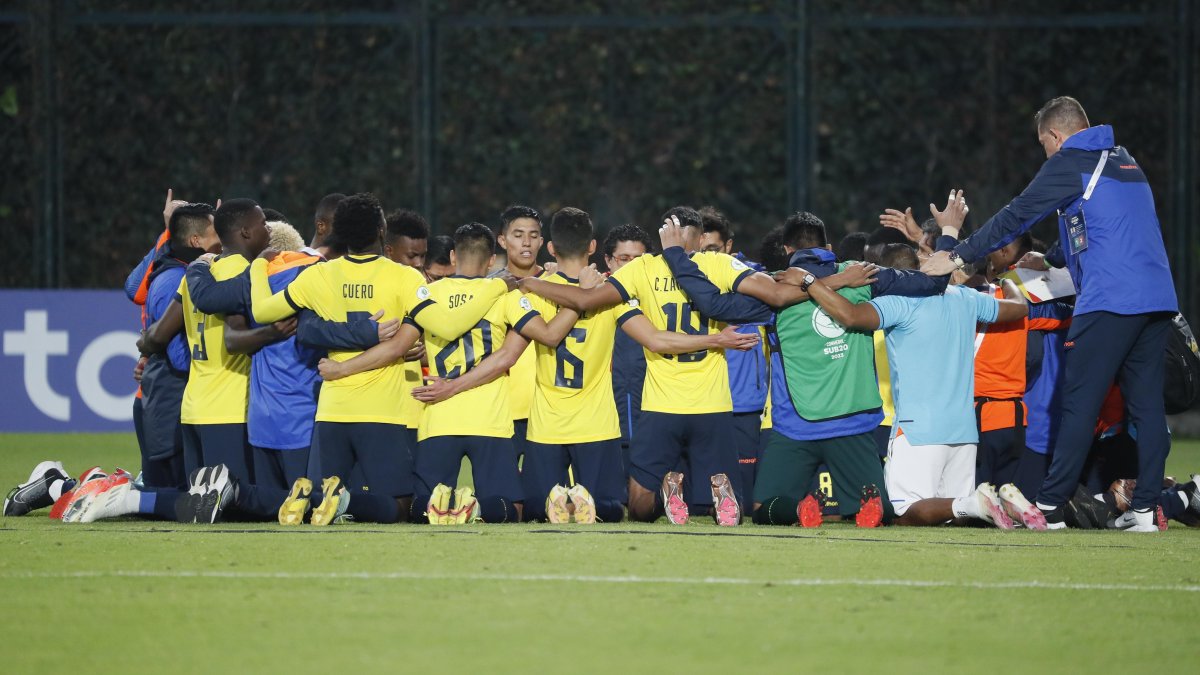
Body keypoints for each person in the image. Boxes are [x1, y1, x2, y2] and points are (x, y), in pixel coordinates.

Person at [922, 96, 1179, 532]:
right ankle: (1143, 511)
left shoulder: (1071, 161)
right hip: (1157, 299)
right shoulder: (1124, 160)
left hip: (1110, 300)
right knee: (1147, 407)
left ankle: (1052, 507)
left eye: (1043, 143)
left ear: (1056, 136)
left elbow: (1017, 214)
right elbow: (1109, 226)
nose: (1044, 152)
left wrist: (960, 256)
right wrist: (1056, 256)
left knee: (1077, 403)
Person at [519, 206, 809, 526]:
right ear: (699, 239)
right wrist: (823, 281)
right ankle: (724, 503)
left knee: (639, 507)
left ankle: (664, 497)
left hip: (660, 405)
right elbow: (776, 294)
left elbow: (588, 301)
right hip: (712, 403)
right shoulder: (719, 263)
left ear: (663, 236)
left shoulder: (642, 269)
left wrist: (530, 283)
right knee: (732, 508)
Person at [249, 195, 510, 525]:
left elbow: (261, 311)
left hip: (333, 407)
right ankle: (345, 502)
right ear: (382, 231)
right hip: (381, 411)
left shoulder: (317, 276)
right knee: (400, 506)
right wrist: (494, 286)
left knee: (318, 503)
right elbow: (449, 325)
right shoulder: (403, 278)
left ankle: (329, 499)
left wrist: (259, 265)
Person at [321, 223, 545, 524]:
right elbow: (512, 354)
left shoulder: (427, 294)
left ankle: (343, 501)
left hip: (437, 415)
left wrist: (340, 368)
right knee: (510, 509)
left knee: (421, 508)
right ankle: (472, 509)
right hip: (489, 418)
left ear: (453, 256)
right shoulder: (505, 294)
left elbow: (395, 347)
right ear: (492, 260)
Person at [490, 205, 545, 473]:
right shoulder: (489, 288)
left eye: (533, 235)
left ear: (542, 241)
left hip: (547, 408)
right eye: (518, 234)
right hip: (503, 407)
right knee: (504, 502)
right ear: (502, 240)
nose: (526, 242)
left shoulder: (556, 284)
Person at [603, 224, 653, 478]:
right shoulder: (591, 296)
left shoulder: (660, 298)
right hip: (601, 413)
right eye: (624, 259)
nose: (632, 266)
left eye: (639, 259)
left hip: (654, 410)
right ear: (608, 261)